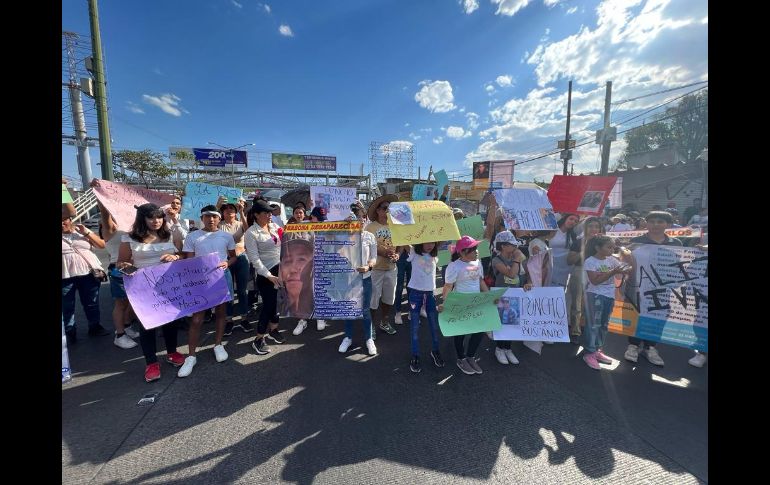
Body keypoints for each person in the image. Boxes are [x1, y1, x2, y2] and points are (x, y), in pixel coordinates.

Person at [117, 203, 185, 382]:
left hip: (169, 285)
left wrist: (175, 256)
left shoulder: (169, 235)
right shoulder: (129, 238)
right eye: (151, 217)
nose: (156, 221)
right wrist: (127, 267)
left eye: (159, 217)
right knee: (147, 325)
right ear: (142, 219)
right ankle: (151, 362)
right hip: (143, 287)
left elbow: (183, 254)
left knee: (171, 321)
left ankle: (172, 352)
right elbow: (120, 263)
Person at [178, 205, 239, 377]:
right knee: (197, 318)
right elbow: (189, 261)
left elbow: (233, 256)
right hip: (200, 280)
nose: (211, 219)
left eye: (214, 216)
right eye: (207, 216)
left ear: (219, 218)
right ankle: (191, 356)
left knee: (221, 312)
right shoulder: (192, 236)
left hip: (221, 277)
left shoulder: (226, 236)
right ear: (201, 218)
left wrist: (227, 263)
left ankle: (218, 344)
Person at [623, 211, 682, 366]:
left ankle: (650, 347)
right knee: (636, 314)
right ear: (646, 223)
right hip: (637, 286)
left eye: (660, 221)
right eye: (652, 221)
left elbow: (678, 265)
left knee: (658, 316)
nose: (656, 225)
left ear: (668, 224)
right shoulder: (636, 241)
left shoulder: (676, 243)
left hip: (662, 288)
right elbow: (626, 262)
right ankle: (633, 345)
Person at [92, 188, 139, 349]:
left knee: (131, 302)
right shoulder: (110, 230)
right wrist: (100, 194)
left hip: (134, 268)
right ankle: (119, 335)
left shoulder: (129, 228)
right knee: (120, 304)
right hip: (119, 269)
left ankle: (127, 326)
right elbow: (105, 214)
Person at [438, 236, 489, 375]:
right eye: (472, 249)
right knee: (460, 333)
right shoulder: (454, 266)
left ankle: (471, 356)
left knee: (479, 331)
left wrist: (489, 296)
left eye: (476, 248)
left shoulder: (478, 262)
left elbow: (481, 281)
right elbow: (448, 286)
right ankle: (461, 359)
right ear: (462, 252)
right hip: (460, 303)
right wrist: (445, 304)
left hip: (475, 302)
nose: (476, 251)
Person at [582, 235, 632, 369]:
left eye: (613, 247)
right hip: (595, 295)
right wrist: (613, 271)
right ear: (598, 248)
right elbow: (595, 281)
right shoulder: (590, 261)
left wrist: (626, 261)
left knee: (604, 325)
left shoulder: (612, 260)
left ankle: (597, 350)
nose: (612, 250)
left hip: (609, 296)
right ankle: (589, 353)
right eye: (609, 247)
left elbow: (626, 268)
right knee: (593, 325)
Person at [62, 213, 110, 344]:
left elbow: (101, 245)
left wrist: (86, 233)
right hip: (64, 277)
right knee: (67, 306)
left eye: (63, 220)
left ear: (70, 219)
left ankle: (95, 327)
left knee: (91, 303)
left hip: (88, 273)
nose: (62, 223)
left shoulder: (81, 230)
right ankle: (70, 332)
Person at [244, 199, 284, 355]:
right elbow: (254, 259)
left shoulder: (274, 226)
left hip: (280, 270)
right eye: (266, 212)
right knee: (268, 306)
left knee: (277, 304)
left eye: (270, 212)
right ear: (256, 215)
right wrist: (269, 275)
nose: (269, 215)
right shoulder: (251, 233)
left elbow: (289, 236)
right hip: (266, 275)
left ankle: (273, 330)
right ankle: (258, 339)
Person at [339, 211, 378, 356]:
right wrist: (343, 228)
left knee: (365, 310)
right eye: (356, 218)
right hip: (348, 279)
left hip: (365, 278)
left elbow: (374, 257)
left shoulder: (369, 236)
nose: (360, 220)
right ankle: (348, 337)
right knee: (348, 309)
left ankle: (369, 339)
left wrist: (369, 266)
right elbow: (334, 249)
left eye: (362, 217)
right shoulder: (345, 236)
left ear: (365, 219)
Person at [490, 231, 529, 365]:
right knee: (502, 323)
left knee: (512, 322)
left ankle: (508, 349)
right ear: (503, 246)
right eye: (512, 244)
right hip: (502, 295)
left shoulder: (517, 257)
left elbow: (525, 273)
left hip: (515, 294)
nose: (515, 247)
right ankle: (499, 349)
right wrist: (517, 259)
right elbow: (511, 274)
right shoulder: (496, 260)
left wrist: (528, 283)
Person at [365, 194, 401, 336]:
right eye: (385, 208)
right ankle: (371, 326)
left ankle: (384, 322)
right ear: (378, 210)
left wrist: (398, 255)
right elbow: (365, 247)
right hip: (375, 269)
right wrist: (382, 252)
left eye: (389, 208)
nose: (387, 211)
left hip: (391, 268)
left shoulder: (396, 226)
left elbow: (401, 244)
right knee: (373, 300)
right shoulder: (370, 227)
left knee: (389, 299)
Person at [217, 199, 254, 335]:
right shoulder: (219, 225)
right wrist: (217, 206)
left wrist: (242, 212)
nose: (229, 211)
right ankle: (229, 320)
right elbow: (210, 223)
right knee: (228, 291)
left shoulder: (240, 224)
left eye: (232, 209)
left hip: (241, 259)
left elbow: (248, 231)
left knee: (243, 291)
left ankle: (244, 318)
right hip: (225, 261)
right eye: (226, 209)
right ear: (222, 212)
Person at [406, 242, 444, 373]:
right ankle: (415, 355)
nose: (430, 245)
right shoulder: (414, 252)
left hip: (430, 295)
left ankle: (435, 351)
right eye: (427, 242)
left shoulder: (434, 255)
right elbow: (403, 240)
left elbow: (443, 238)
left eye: (432, 242)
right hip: (415, 294)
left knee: (434, 325)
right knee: (415, 327)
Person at [565, 216, 604, 344]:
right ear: (585, 227)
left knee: (594, 304)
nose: (593, 229)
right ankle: (575, 331)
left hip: (598, 273)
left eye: (596, 226)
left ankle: (590, 331)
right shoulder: (578, 242)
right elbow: (569, 260)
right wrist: (583, 250)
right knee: (577, 304)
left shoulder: (603, 242)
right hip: (579, 272)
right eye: (590, 226)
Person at [279, 238, 315, 317]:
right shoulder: (276, 310)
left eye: (301, 259)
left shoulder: (331, 309)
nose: (293, 269)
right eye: (287, 261)